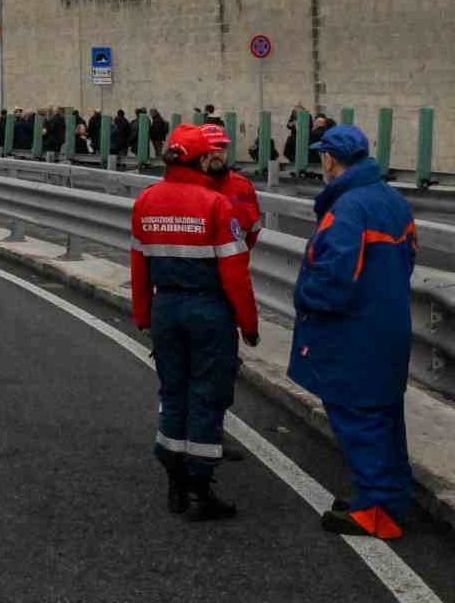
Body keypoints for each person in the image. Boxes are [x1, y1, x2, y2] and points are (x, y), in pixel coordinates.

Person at [289, 126, 418, 540]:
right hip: (389, 326)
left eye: (321, 157)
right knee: (384, 418)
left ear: (330, 159)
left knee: (359, 420)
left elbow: (334, 279)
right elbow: (407, 260)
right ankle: (388, 498)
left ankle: (376, 513)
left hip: (353, 335)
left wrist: (303, 294)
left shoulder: (348, 208)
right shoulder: (393, 200)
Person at [130, 124, 260, 521]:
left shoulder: (146, 200)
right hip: (209, 312)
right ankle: (201, 488)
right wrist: (249, 324)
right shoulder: (214, 204)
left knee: (173, 393)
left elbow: (139, 266)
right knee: (207, 395)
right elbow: (236, 275)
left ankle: (174, 477)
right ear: (201, 159)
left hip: (165, 309)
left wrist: (142, 314)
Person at [202, 124, 263, 249]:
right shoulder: (188, 186)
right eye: (210, 149)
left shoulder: (242, 186)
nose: (216, 154)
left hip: (234, 264)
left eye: (221, 148)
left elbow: (253, 228)